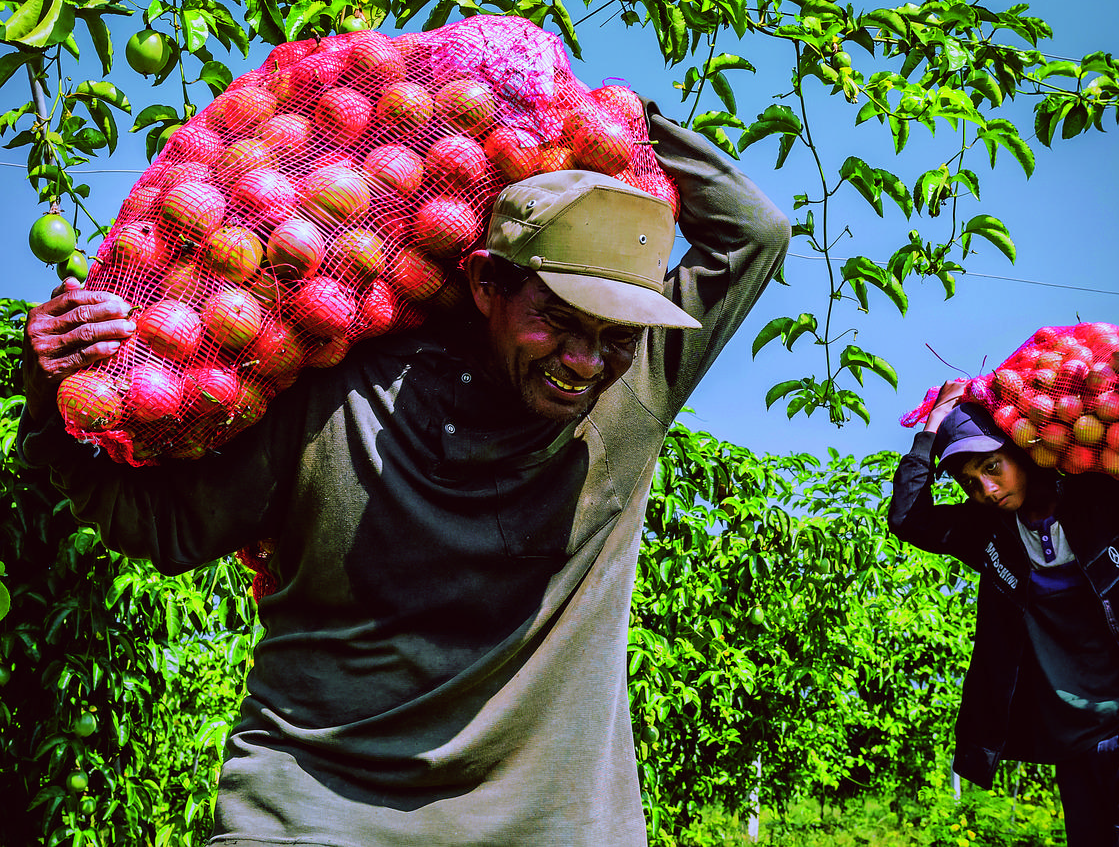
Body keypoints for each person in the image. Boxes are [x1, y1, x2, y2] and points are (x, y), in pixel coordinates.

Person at [18, 99, 790, 846]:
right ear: (486, 285)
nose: (586, 361)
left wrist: (616, 116)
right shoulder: (335, 397)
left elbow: (760, 232)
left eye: (617, 333)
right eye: (556, 319)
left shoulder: (629, 385)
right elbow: (164, 524)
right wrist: (51, 402)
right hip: (326, 818)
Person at [888, 380, 1119, 846]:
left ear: (1022, 453)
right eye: (970, 482)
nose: (986, 489)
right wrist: (928, 432)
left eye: (993, 467)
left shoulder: (1107, 503)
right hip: (1075, 742)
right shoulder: (990, 537)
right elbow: (909, 518)